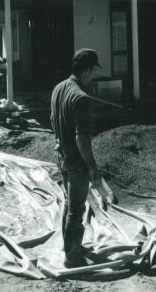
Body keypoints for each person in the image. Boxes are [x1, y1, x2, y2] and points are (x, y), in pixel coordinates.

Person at [50, 48, 103, 268]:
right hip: (76, 162)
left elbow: (53, 119)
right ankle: (72, 257)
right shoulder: (81, 98)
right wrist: (92, 167)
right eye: (93, 71)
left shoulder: (59, 88)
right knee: (76, 209)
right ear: (87, 69)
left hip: (61, 155)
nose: (94, 76)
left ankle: (69, 246)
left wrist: (58, 142)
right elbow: (82, 138)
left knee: (69, 204)